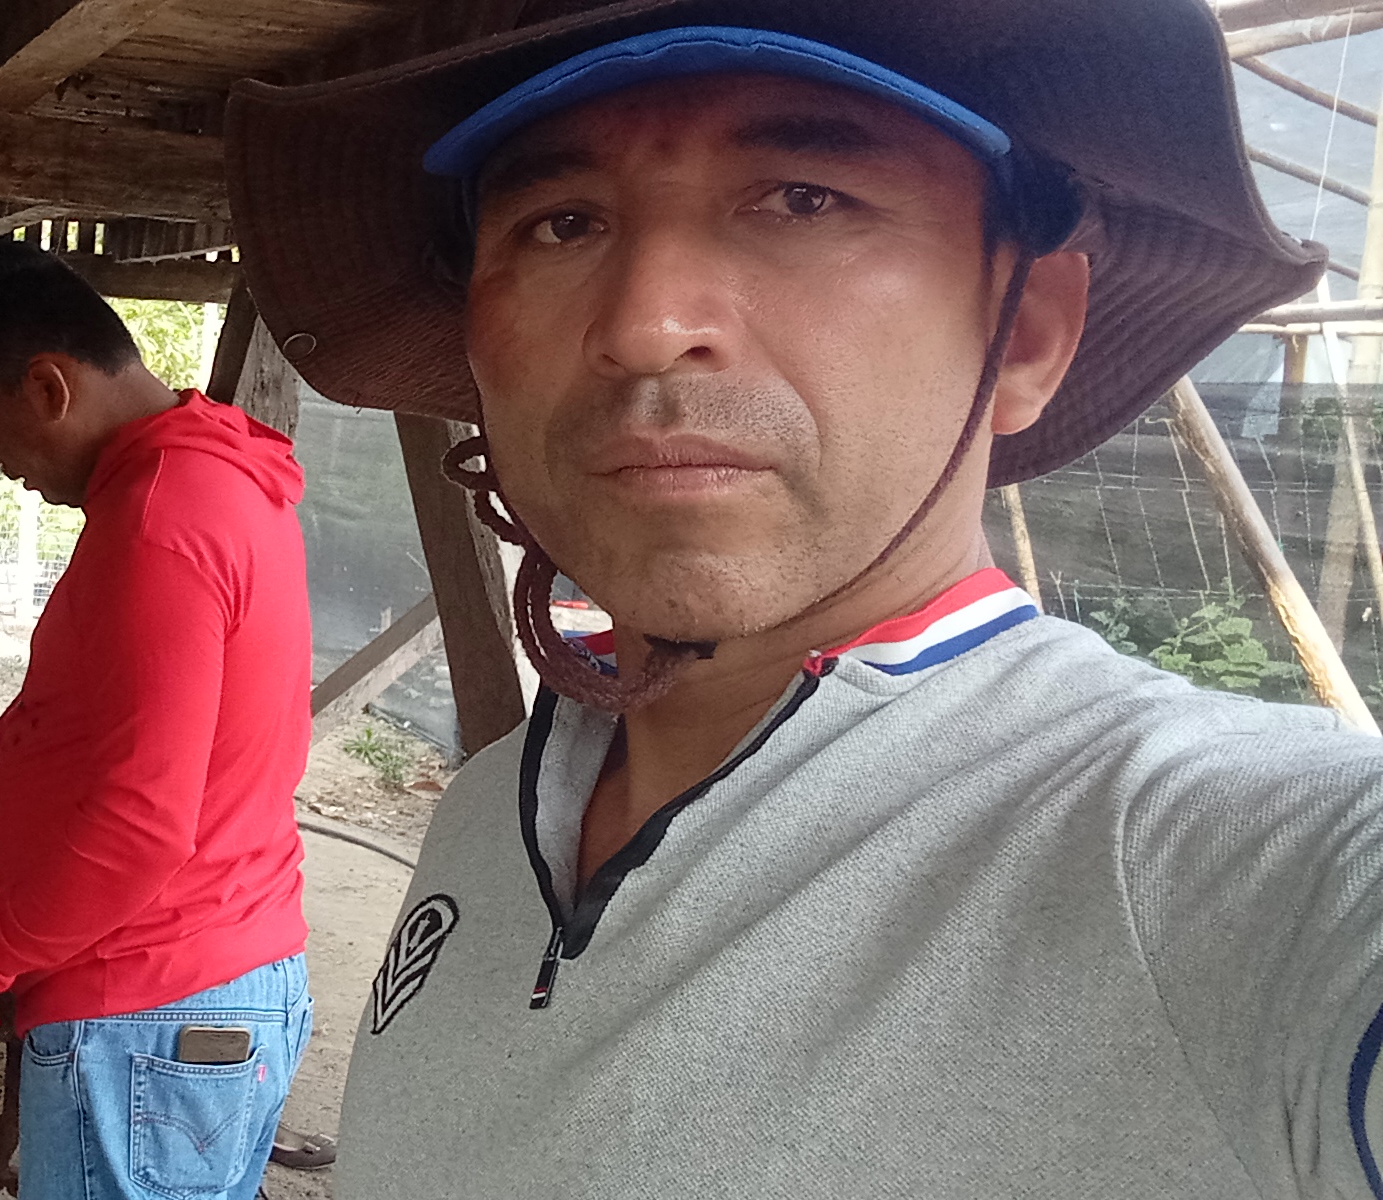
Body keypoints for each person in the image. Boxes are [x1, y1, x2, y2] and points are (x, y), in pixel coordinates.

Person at [224, 5, 1383, 1197]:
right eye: (562, 222)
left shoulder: (1211, 864)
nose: (645, 326)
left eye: (804, 198)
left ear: (1027, 335)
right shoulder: (489, 809)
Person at [0, 240, 313, 1200]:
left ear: (48, 387)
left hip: (148, 1007)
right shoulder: (203, 478)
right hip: (206, 985)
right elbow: (60, 717)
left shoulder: (160, 523)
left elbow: (140, 829)